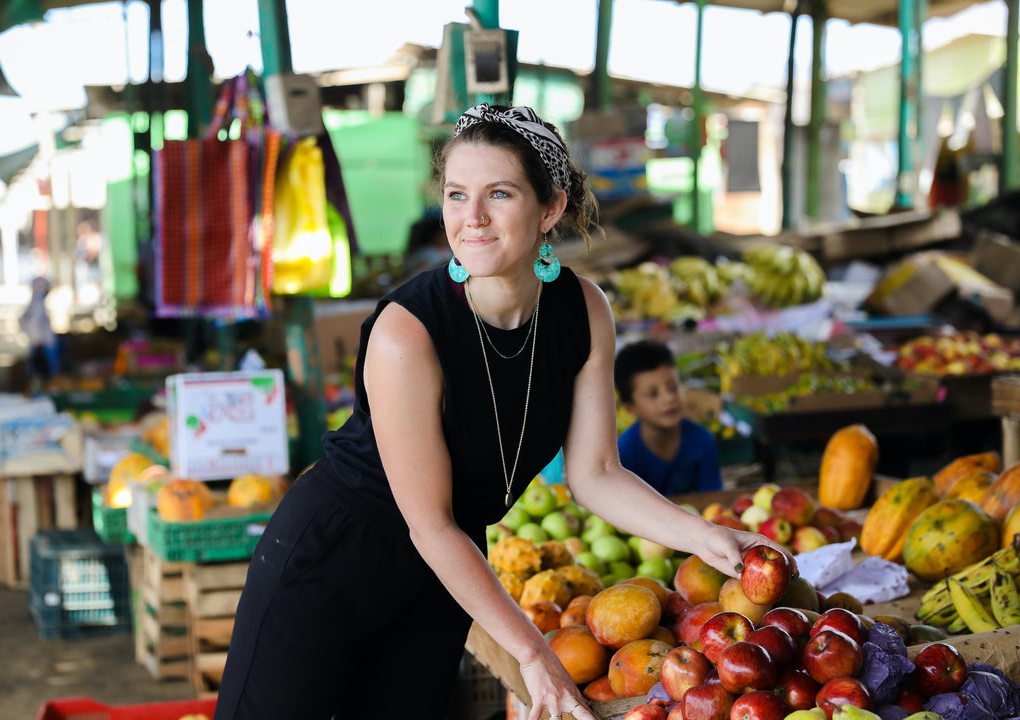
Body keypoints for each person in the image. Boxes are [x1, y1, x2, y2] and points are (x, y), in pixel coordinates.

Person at [213, 104, 794, 720]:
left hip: (443, 576)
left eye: (499, 193)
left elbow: (595, 472)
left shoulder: (583, 309)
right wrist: (533, 651)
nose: (474, 218)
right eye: (458, 194)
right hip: (332, 561)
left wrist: (704, 537)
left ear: (550, 208)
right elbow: (429, 523)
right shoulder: (407, 332)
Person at [614, 339, 723, 495]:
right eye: (653, 394)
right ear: (630, 407)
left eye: (673, 388)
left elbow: (713, 500)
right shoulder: (624, 455)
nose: (669, 398)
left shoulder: (702, 440)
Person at [19, 276, 60, 385]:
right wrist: (38, 341)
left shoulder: (36, 303)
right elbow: (33, 325)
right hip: (43, 345)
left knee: (40, 374)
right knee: (44, 375)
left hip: (40, 344)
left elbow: (23, 322)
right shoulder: (37, 305)